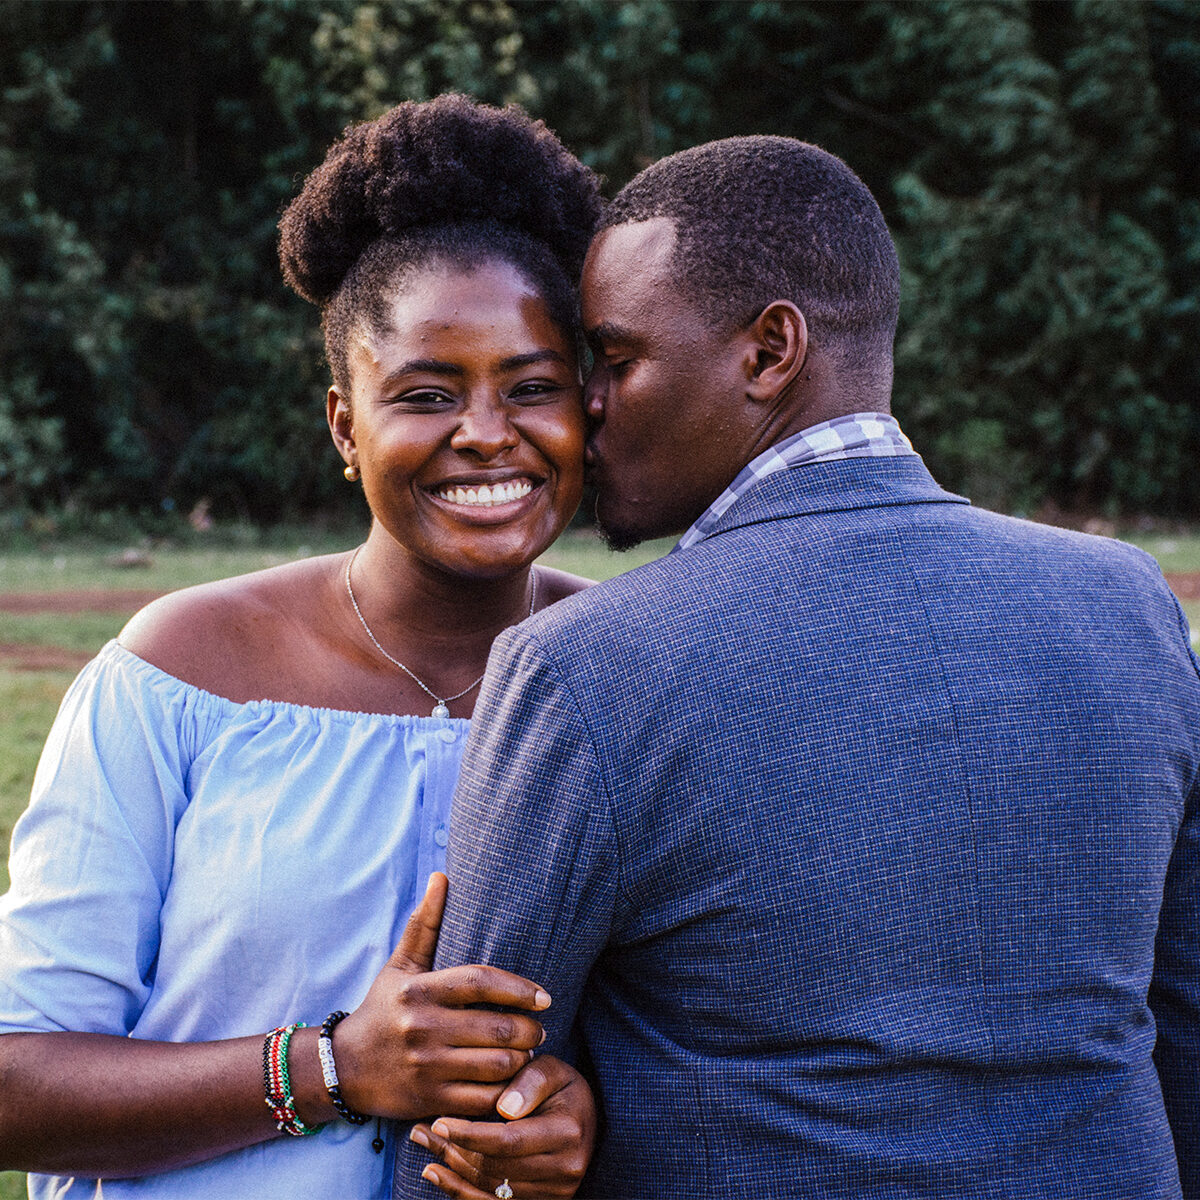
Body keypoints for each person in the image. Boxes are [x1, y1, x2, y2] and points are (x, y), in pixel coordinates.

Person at [395, 135, 1200, 1198]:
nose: (586, 402)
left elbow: (473, 1107)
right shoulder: (1129, 604)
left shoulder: (585, 665)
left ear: (771, 351)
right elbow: (1184, 1025)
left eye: (617, 358)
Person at [0, 94, 601, 1200]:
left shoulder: (624, 677)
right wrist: (332, 1066)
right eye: (426, 394)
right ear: (342, 424)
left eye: (534, 388)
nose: (485, 432)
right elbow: (17, 1082)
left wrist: (571, 1124)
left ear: (588, 409)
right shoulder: (179, 671)